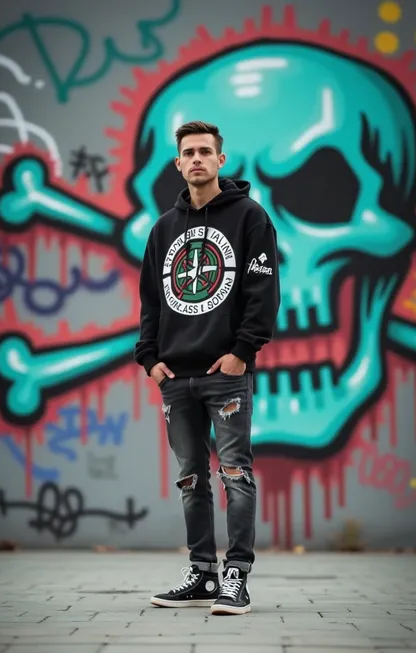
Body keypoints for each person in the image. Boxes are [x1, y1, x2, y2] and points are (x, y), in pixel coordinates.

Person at [134, 121, 280, 615]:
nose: (196, 159)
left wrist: (242, 351)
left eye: (204, 152)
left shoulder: (250, 218)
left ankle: (235, 578)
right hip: (175, 378)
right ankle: (201, 574)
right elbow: (151, 301)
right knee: (191, 479)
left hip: (226, 373)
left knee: (235, 475)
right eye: (187, 153)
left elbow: (263, 295)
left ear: (221, 159)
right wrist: (150, 359)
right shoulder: (162, 229)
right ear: (178, 164)